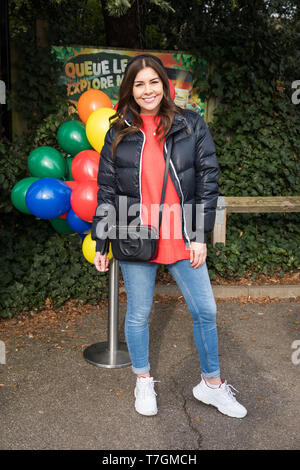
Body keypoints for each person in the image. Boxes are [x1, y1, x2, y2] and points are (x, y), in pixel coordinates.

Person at [91, 54, 247, 419]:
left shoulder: (191, 124)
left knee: (205, 310)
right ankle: (143, 380)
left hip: (182, 230)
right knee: (139, 313)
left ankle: (211, 385)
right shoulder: (118, 132)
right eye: (139, 83)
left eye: (154, 82)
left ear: (165, 84)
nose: (148, 90)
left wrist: (199, 234)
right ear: (130, 89)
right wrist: (102, 241)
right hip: (133, 231)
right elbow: (107, 190)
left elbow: (208, 180)